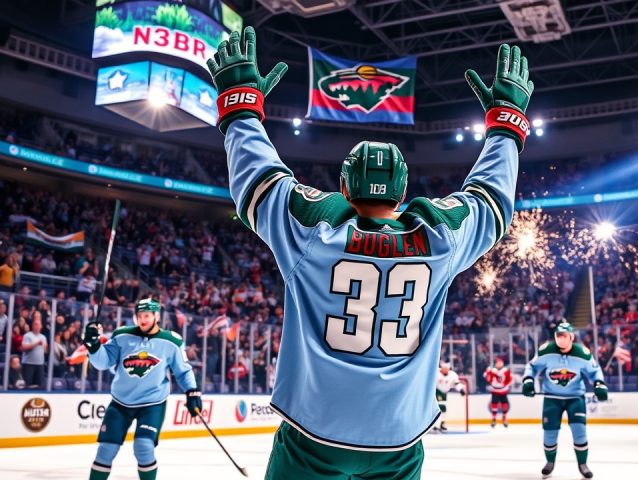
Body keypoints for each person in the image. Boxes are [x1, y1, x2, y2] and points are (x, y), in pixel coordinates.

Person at [208, 26, 533, 478]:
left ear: (343, 186)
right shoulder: (440, 240)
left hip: (314, 434)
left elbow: (258, 182)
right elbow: (491, 201)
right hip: (399, 439)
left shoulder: (312, 230)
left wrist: (241, 107)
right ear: (402, 193)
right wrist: (506, 124)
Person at [82, 298, 202, 480]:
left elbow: (183, 371)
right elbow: (102, 363)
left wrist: (192, 392)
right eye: (139, 316)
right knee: (106, 449)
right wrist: (93, 346)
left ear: (156, 316)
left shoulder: (171, 341)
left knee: (143, 447)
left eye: (147, 315)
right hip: (120, 402)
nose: (142, 320)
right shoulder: (121, 335)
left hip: (152, 404)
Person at [522, 322, 609, 479]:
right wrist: (528, 380)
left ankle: (583, 464)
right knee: (550, 432)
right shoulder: (546, 350)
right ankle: (550, 462)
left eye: (564, 336)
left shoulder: (582, 353)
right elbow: (532, 366)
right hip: (552, 398)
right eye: (558, 335)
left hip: (575, 398)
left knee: (579, 430)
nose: (561, 339)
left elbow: (594, 371)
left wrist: (599, 384)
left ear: (571, 337)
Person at [434, 362, 466, 432]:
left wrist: (461, 389)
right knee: (440, 407)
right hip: (436, 391)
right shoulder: (436, 372)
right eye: (444, 368)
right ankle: (435, 425)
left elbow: (456, 383)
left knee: (443, 408)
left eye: (447, 369)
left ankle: (441, 424)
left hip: (444, 393)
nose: (445, 370)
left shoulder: (452, 375)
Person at [485, 356, 512, 427]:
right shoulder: (492, 370)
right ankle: (494, 418)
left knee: (504, 403)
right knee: (494, 404)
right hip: (495, 390)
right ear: (496, 364)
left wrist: (506, 385)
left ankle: (504, 417)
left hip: (503, 390)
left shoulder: (506, 370)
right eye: (498, 363)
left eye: (501, 363)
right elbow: (488, 379)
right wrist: (488, 372)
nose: (499, 364)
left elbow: (509, 379)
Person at [21, 317, 47, 388]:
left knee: (40, 385)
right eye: (35, 324)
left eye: (39, 324)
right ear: (32, 326)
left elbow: (44, 350)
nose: (37, 326)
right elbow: (24, 347)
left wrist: (45, 348)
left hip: (40, 364)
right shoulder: (27, 335)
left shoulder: (43, 337)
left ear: (41, 326)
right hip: (28, 364)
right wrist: (36, 343)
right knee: (27, 384)